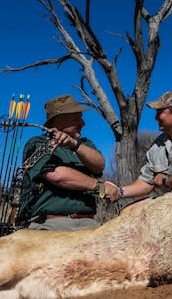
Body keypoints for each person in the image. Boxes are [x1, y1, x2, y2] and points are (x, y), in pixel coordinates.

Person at [15, 94, 115, 231]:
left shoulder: (85, 144)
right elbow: (57, 175)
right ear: (58, 121)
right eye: (76, 119)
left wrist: (75, 145)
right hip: (52, 224)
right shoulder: (37, 143)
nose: (83, 123)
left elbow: (99, 165)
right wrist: (99, 187)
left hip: (89, 223)